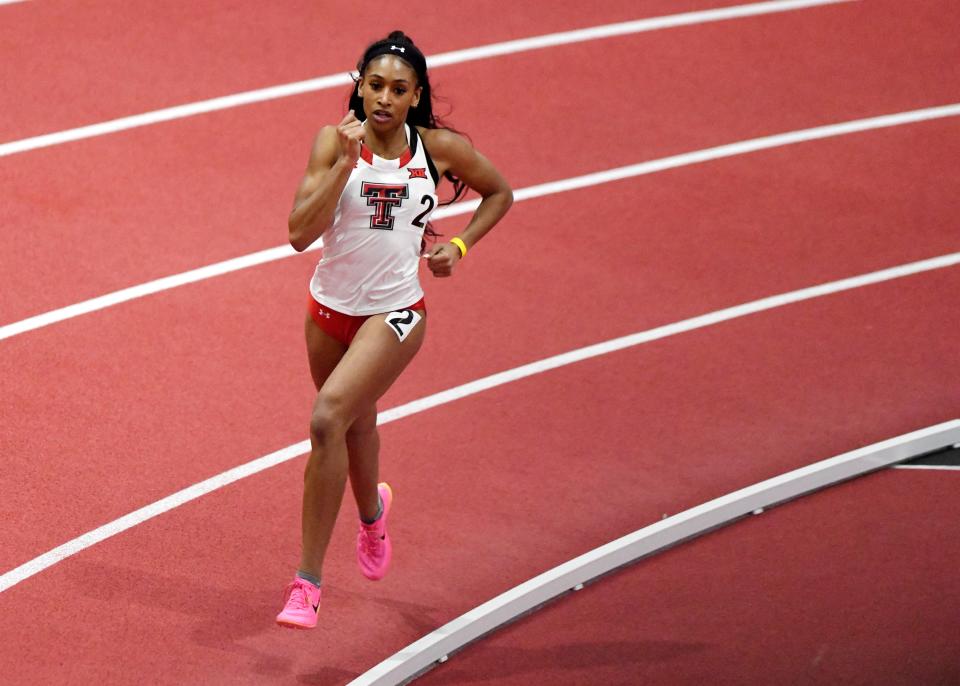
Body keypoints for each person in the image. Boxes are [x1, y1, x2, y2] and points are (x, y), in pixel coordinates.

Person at [276, 30, 513, 629]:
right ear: (360, 85)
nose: (383, 98)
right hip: (328, 311)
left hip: (397, 312)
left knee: (328, 416)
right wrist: (346, 166)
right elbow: (300, 232)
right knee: (357, 423)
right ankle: (372, 514)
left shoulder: (437, 149)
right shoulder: (333, 142)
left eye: (397, 89)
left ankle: (306, 585)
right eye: (374, 84)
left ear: (415, 96)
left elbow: (499, 193)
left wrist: (459, 244)